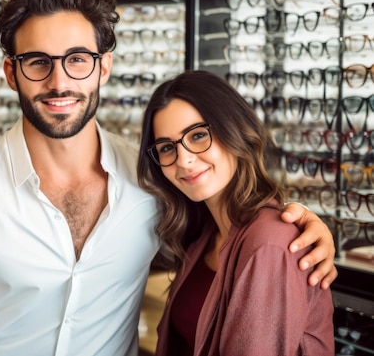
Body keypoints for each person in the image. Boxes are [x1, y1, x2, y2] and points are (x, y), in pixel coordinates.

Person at [0, 0, 336, 356]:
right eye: (38, 62)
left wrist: (303, 227)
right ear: (11, 73)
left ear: (103, 68)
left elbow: (232, 228)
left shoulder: (154, 177)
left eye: (78, 60)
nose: (59, 82)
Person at [137, 70, 334, 355]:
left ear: (235, 129)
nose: (184, 159)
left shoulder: (269, 244)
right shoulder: (205, 233)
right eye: (167, 147)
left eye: (198, 135)